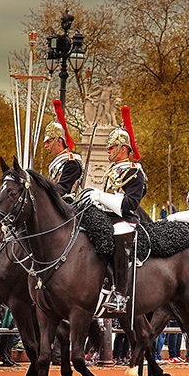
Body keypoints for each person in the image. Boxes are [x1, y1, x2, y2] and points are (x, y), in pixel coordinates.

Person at [80, 115, 147, 314]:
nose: (108, 151)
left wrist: (99, 195)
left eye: (111, 147)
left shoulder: (135, 172)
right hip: (107, 216)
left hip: (125, 220)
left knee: (119, 233)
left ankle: (120, 293)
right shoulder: (112, 170)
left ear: (123, 148)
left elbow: (129, 205)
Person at [43, 120, 82, 196]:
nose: (46, 146)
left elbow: (62, 189)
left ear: (59, 141)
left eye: (49, 142)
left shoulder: (71, 163)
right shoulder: (58, 162)